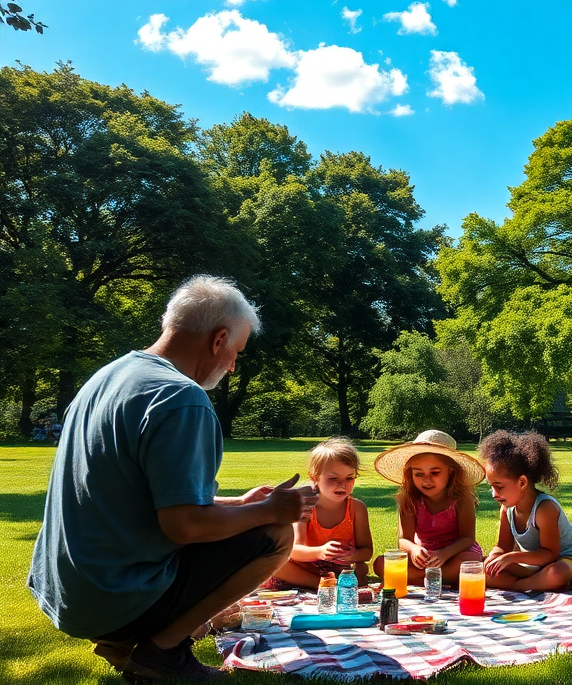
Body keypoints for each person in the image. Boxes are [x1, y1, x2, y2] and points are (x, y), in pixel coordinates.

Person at [27, 275, 317, 682]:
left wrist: (244, 504)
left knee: (261, 521)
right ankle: (162, 653)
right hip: (112, 596)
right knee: (278, 535)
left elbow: (144, 502)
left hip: (69, 593)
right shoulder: (181, 398)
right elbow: (185, 525)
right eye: (236, 351)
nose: (233, 365)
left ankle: (123, 641)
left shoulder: (106, 378)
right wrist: (270, 510)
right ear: (218, 339)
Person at [372, 430, 486, 588]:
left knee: (469, 562)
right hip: (424, 558)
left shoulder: (462, 499)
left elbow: (467, 538)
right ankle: (438, 580)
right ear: (410, 474)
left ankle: (418, 580)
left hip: (455, 554)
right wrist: (414, 550)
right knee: (381, 563)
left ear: (451, 471)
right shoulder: (410, 499)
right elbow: (404, 540)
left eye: (434, 472)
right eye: (418, 474)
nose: (426, 480)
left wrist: (445, 554)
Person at [478, 430, 572, 591]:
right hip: (534, 565)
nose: (494, 494)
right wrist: (495, 556)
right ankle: (533, 584)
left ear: (522, 483)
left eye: (499, 487)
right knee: (482, 570)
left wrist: (511, 558)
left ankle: (520, 586)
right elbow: (502, 546)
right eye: (491, 487)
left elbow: (550, 553)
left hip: (565, 560)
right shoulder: (507, 509)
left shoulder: (545, 508)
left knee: (557, 573)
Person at [267, 437, 374, 589]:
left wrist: (352, 555)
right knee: (275, 562)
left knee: (361, 567)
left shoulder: (356, 508)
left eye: (349, 478)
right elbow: (294, 550)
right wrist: (320, 551)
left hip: (337, 568)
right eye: (333, 478)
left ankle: (328, 584)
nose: (342, 484)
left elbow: (367, 552)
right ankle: (322, 585)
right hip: (306, 567)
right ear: (314, 477)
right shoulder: (306, 506)